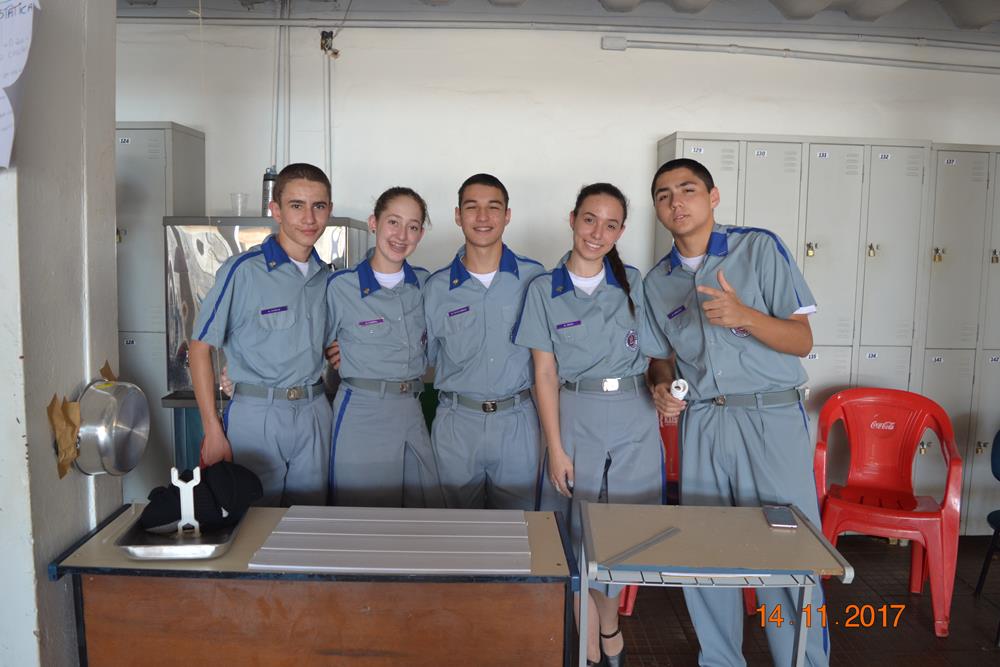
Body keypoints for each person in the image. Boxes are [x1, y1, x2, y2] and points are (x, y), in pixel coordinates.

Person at [643, 158, 828, 667]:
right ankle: (720, 659)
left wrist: (744, 316)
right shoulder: (657, 281)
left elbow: (802, 340)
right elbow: (660, 357)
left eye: (687, 189)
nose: (676, 202)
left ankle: (803, 659)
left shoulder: (758, 247)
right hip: (703, 424)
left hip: (770, 421)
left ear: (713, 196)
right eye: (663, 195)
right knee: (707, 554)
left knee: (787, 555)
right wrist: (661, 387)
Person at [514, 183, 666, 667]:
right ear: (572, 219)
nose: (597, 233)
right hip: (575, 414)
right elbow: (544, 372)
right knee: (574, 534)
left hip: (634, 418)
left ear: (622, 230)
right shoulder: (544, 289)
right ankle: (590, 643)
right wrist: (555, 448)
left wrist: (666, 390)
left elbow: (661, 356)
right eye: (589, 220)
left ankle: (609, 620)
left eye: (611, 224)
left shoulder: (635, 284)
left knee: (626, 531)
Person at [190, 162, 332, 506]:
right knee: (254, 525)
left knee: (310, 523)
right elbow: (199, 347)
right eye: (296, 206)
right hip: (257, 416)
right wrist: (212, 429)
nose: (309, 218)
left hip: (315, 413)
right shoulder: (243, 272)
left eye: (319, 206)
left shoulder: (327, 277)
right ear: (276, 210)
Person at [422, 174, 545, 510]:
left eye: (493, 207)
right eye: (472, 207)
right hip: (456, 424)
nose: (482, 217)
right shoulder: (436, 288)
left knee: (520, 529)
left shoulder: (535, 279)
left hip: (517, 420)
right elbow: (421, 356)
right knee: (455, 530)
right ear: (458, 215)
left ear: (507, 215)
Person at [325, 187, 443, 508]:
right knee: (363, 521)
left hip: (411, 409)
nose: (402, 235)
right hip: (362, 412)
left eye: (413, 226)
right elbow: (304, 340)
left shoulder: (425, 284)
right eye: (393, 222)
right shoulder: (341, 287)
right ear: (373, 222)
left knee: (425, 514)